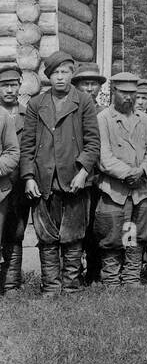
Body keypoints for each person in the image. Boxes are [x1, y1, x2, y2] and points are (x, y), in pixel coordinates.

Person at [20, 50, 100, 298]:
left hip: (73, 180)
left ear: (71, 74)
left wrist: (83, 172)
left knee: (74, 235)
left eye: (65, 72)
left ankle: (71, 287)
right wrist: (29, 177)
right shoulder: (36, 104)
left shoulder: (83, 102)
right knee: (47, 237)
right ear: (48, 76)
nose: (61, 78)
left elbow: (93, 143)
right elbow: (27, 146)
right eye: (55, 73)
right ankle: (51, 287)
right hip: (44, 180)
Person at [94, 72, 147, 289]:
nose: (129, 98)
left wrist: (142, 172)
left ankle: (131, 278)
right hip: (115, 190)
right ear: (114, 92)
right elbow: (104, 158)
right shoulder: (103, 119)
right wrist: (129, 174)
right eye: (124, 93)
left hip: (140, 191)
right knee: (112, 235)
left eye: (133, 93)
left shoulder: (144, 120)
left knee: (134, 235)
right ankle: (111, 280)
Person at [72, 63, 106, 285]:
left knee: (97, 226)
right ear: (77, 86)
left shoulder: (105, 113)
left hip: (100, 179)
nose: (89, 88)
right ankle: (74, 272)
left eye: (93, 84)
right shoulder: (72, 110)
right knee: (78, 226)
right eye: (85, 83)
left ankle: (95, 271)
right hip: (77, 177)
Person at [0, 64, 22, 297]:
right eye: (3, 85)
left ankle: (10, 283)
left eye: (12, 85)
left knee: (13, 233)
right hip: (5, 185)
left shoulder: (7, 116)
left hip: (12, 186)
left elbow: (13, 152)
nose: (8, 89)